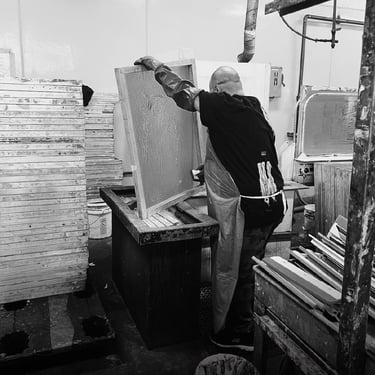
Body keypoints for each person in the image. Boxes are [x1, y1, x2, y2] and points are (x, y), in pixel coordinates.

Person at [134, 56, 286, 351]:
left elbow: (183, 93)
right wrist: (208, 171)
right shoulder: (255, 108)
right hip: (272, 206)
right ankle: (245, 322)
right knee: (249, 269)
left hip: (250, 211)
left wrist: (157, 68)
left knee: (240, 273)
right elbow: (243, 153)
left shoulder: (222, 105)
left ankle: (240, 335)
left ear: (217, 89)